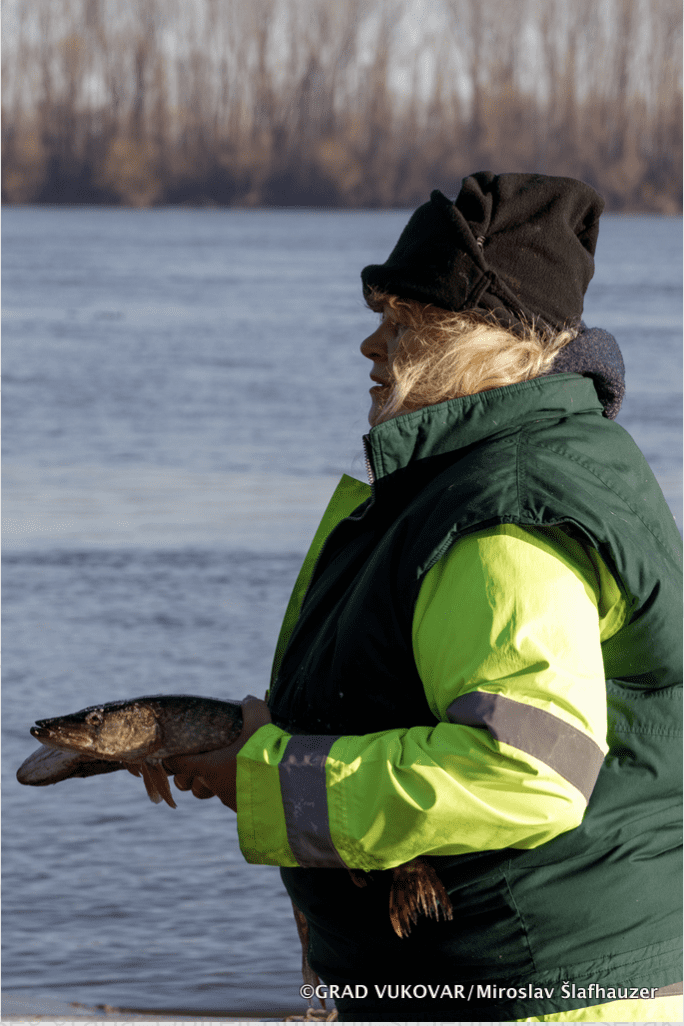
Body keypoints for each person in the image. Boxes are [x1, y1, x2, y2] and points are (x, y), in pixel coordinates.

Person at [164, 172, 682, 1022]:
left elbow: (527, 770)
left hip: (535, 990)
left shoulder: (506, 510)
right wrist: (272, 734)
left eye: (406, 323)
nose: (371, 346)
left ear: (489, 342)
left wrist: (275, 777)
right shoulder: (504, 471)